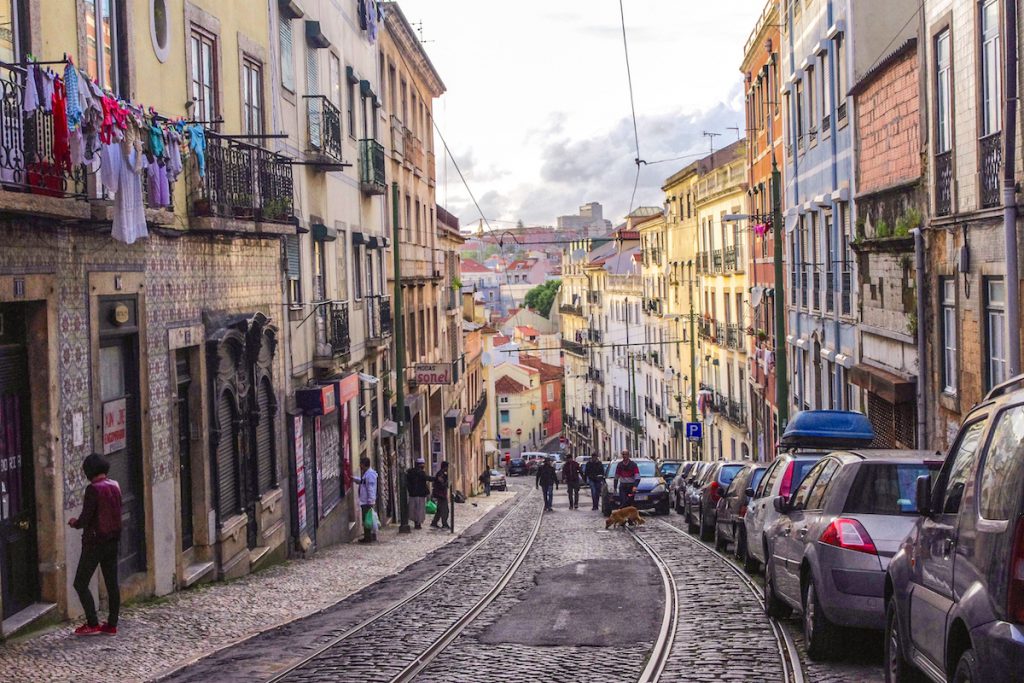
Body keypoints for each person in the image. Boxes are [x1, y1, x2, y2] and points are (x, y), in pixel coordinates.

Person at [69, 453, 122, 636]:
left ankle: (92, 622)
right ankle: (112, 624)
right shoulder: (115, 485)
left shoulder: (93, 490)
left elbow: (86, 517)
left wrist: (75, 523)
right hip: (113, 541)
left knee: (80, 583)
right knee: (112, 583)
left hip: (95, 543)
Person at [353, 457, 378, 543]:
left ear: (364, 465)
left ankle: (368, 537)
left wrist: (370, 501)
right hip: (365, 501)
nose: (360, 466)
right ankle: (369, 536)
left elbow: (370, 488)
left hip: (367, 501)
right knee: (367, 519)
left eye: (361, 464)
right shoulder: (367, 474)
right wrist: (355, 479)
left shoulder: (369, 474)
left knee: (367, 519)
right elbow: (363, 482)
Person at [406, 457, 432, 529]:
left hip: (413, 494)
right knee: (419, 510)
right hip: (420, 495)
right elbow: (427, 478)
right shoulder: (421, 473)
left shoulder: (410, 472)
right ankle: (418, 523)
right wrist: (436, 478)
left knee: (414, 510)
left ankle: (416, 523)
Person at [431, 461, 451, 529]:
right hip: (441, 494)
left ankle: (434, 522)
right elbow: (441, 483)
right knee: (445, 510)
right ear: (445, 467)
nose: (447, 468)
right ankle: (444, 524)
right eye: (447, 467)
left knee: (439, 510)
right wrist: (446, 484)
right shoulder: (440, 474)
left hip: (442, 494)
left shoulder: (443, 473)